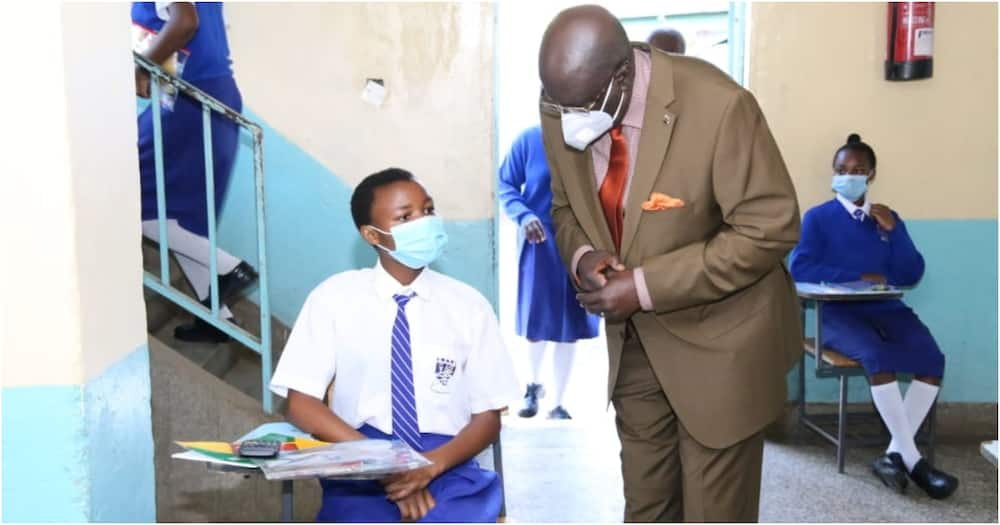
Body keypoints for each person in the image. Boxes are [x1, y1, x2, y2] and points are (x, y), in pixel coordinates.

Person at [536, 5, 802, 521]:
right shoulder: (564, 101)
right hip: (636, 346)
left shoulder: (721, 107)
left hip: (722, 346)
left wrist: (643, 286)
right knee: (647, 508)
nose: (567, 121)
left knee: (713, 514)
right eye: (556, 104)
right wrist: (583, 255)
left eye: (581, 106)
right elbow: (565, 206)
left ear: (622, 75)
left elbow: (769, 228)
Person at [269, 168, 520, 522]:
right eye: (405, 217)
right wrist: (384, 463)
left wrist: (427, 469)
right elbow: (301, 404)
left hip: (447, 459)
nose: (423, 221)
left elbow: (488, 417)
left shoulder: (469, 305)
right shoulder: (334, 298)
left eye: (427, 210)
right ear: (372, 234)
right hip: (358, 458)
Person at [789, 133, 958, 499]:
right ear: (833, 173)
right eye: (841, 170)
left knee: (932, 359)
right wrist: (854, 278)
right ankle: (915, 462)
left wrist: (893, 233)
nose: (848, 176)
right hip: (837, 314)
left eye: (857, 170)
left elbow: (912, 273)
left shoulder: (887, 219)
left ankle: (893, 456)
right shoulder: (819, 217)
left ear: (872, 175)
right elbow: (799, 266)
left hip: (887, 309)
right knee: (877, 358)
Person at [133, 2, 257, 343]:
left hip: (191, 96)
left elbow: (185, 21)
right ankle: (217, 318)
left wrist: (142, 68)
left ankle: (228, 267)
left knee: (133, 196)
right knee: (180, 216)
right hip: (205, 93)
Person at [498, 125, 601, 420]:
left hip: (582, 242)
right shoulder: (528, 140)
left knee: (571, 323)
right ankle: (533, 387)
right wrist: (524, 215)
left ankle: (559, 402)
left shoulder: (591, 140)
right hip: (539, 240)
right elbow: (506, 185)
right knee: (537, 319)